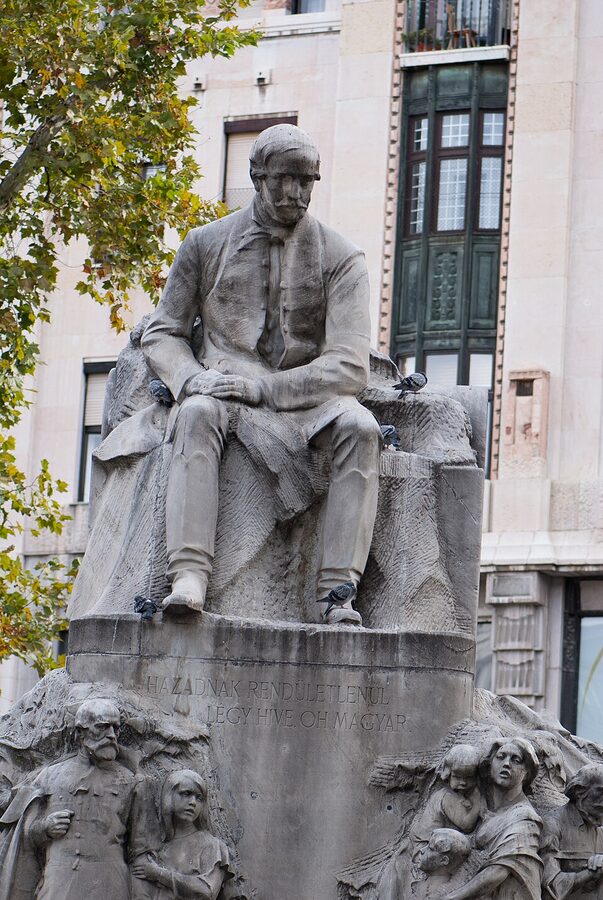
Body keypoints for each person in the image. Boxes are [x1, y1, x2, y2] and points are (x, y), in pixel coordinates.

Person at [140, 123, 380, 624]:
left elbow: (351, 363)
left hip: (307, 395)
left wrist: (265, 389)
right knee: (196, 413)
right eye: (283, 180)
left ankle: (336, 593)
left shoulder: (342, 257)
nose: (296, 193)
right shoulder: (204, 244)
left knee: (361, 428)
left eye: (306, 181)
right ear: (256, 177)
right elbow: (163, 333)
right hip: (221, 388)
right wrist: (190, 378)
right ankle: (189, 574)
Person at [0, 698, 148, 900]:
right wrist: (45, 828)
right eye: (102, 727)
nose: (112, 736)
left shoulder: (130, 781)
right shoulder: (50, 776)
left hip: (109, 883)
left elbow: (140, 851)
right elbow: (26, 834)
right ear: (80, 732)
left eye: (116, 728)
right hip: (60, 880)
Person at [440, 738, 543, 900]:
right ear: (490, 767)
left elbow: (497, 871)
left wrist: (451, 898)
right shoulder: (480, 805)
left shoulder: (524, 818)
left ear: (526, 773)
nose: (507, 764)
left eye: (516, 760)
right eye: (501, 757)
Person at [132, 769, 234, 899]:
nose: (193, 802)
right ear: (169, 795)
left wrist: (159, 874)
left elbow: (207, 891)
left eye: (199, 798)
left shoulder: (212, 846)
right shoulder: (158, 848)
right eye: (186, 794)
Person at [542, 762, 603, 899]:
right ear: (579, 791)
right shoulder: (553, 824)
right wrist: (590, 873)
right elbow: (549, 886)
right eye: (601, 791)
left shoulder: (600, 829)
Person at [411, 744, 481, 851]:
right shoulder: (446, 796)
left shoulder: (458, 795)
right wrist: (478, 801)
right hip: (427, 848)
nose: (463, 782)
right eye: (457, 777)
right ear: (448, 774)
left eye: (469, 777)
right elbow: (467, 825)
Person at [416, 828, 472, 899]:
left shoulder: (440, 894)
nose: (422, 850)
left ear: (444, 860)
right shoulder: (419, 885)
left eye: (430, 849)